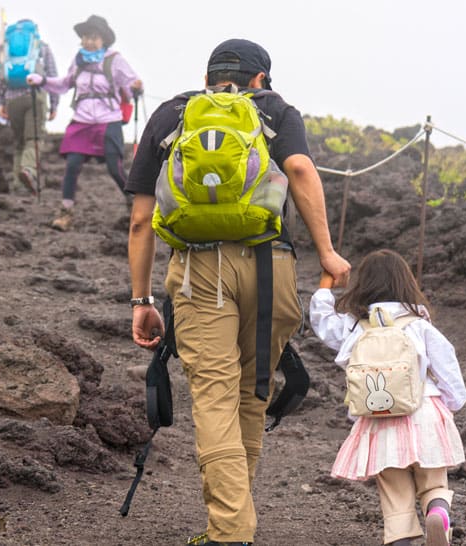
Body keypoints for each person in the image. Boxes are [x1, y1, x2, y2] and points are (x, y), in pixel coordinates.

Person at [126, 38, 351, 546]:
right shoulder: (275, 110)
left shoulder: (171, 114)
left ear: (208, 77)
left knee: (214, 398)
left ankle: (229, 534)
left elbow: (142, 220)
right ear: (259, 79)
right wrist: (329, 253)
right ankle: (231, 525)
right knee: (252, 396)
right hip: (272, 267)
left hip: (199, 269)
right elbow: (299, 170)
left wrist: (141, 302)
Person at [309, 248, 466, 546]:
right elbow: (448, 368)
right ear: (406, 284)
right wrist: (451, 404)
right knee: (434, 482)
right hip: (425, 413)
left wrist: (325, 285)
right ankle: (437, 511)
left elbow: (322, 323)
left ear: (362, 285)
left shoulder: (355, 326)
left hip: (379, 420)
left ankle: (400, 538)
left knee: (395, 495)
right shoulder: (420, 325)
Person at [26, 14, 142, 230]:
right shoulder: (78, 60)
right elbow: (64, 84)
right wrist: (42, 81)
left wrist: (136, 86)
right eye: (86, 37)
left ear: (103, 40)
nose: (89, 41)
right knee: (72, 165)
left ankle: (133, 202)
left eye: (94, 37)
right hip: (81, 120)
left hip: (109, 120)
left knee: (115, 167)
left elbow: (130, 82)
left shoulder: (114, 59)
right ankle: (65, 212)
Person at [0, 19, 59, 195]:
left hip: (12, 100)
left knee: (19, 143)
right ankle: (29, 170)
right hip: (34, 96)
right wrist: (54, 104)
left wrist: (1, 102)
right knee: (34, 139)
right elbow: (52, 76)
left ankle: (18, 185)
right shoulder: (41, 47)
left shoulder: (6, 49)